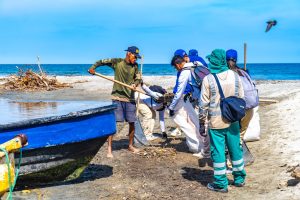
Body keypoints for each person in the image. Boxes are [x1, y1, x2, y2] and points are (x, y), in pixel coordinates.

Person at [199, 49, 246, 193]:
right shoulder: (236, 76)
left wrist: (202, 123)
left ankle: (220, 183)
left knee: (218, 152)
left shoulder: (208, 79)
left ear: (213, 61)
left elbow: (203, 105)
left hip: (216, 122)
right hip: (233, 120)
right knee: (235, 149)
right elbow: (241, 98)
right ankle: (239, 179)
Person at [88, 46, 142, 158]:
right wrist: (93, 68)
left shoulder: (135, 66)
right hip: (117, 97)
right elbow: (101, 62)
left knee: (132, 122)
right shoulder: (117, 62)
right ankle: (109, 149)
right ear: (129, 54)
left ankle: (130, 145)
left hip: (130, 98)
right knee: (114, 122)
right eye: (135, 57)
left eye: (137, 58)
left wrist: (135, 84)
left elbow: (138, 78)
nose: (135, 59)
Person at [169, 53, 209, 159]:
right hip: (211, 96)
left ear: (178, 65)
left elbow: (178, 93)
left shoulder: (184, 72)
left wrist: (171, 107)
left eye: (175, 67)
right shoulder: (197, 64)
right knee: (208, 124)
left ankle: (205, 151)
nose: (176, 69)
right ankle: (210, 149)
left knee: (202, 124)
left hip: (202, 99)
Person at [226, 49, 257, 144]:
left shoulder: (225, 74)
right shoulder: (244, 72)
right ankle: (239, 146)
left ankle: (233, 150)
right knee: (240, 133)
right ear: (236, 59)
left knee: (230, 132)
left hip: (235, 109)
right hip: (249, 108)